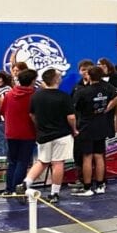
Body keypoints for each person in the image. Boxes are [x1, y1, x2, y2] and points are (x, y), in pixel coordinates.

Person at [20, 70, 76, 205]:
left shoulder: (36, 96)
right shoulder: (64, 96)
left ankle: (25, 184)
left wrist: (40, 126)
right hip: (61, 134)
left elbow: (32, 115)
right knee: (58, 163)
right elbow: (71, 117)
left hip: (43, 134)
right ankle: (54, 193)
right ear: (56, 80)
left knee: (41, 161)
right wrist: (74, 130)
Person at [71, 67, 117, 196]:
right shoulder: (107, 88)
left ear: (89, 76)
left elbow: (75, 108)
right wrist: (107, 109)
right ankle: (100, 185)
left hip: (87, 126)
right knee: (99, 156)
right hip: (101, 125)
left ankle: (87, 187)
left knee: (87, 156)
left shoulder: (83, 92)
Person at [2, 69, 38, 194]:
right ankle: (17, 189)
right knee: (22, 162)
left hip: (11, 132)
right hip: (28, 133)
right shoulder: (34, 95)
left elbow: (2, 111)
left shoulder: (9, 94)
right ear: (33, 81)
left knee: (12, 162)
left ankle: (8, 189)